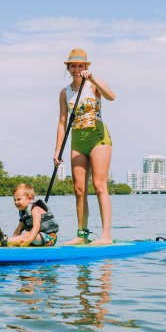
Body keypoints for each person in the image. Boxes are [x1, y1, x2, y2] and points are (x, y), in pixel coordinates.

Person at [55, 48, 116, 245]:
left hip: (98, 138)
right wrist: (57, 151)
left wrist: (94, 79)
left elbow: (111, 96)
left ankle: (106, 235)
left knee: (99, 186)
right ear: (68, 68)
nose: (76, 69)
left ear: (86, 67)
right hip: (77, 140)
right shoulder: (64, 93)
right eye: (73, 65)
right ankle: (82, 235)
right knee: (79, 189)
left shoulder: (93, 85)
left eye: (80, 65)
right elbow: (62, 122)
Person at [0, 182, 60, 247]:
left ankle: (5, 241)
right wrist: (14, 240)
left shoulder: (35, 210)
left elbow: (36, 227)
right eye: (14, 200)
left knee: (27, 234)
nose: (16, 202)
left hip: (49, 239)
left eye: (19, 199)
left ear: (30, 198)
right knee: (24, 235)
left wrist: (29, 239)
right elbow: (18, 231)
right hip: (34, 238)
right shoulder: (25, 214)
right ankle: (5, 241)